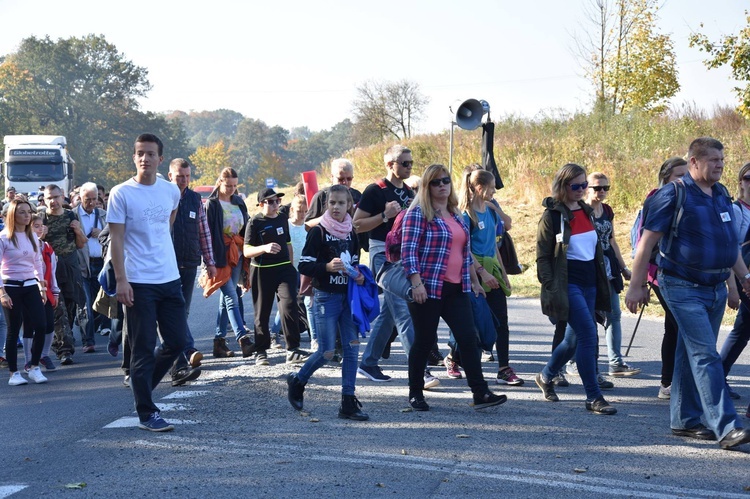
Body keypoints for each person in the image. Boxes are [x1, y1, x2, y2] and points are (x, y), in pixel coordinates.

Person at [626, 137, 750, 449]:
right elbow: (646, 243)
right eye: (713, 160)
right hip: (681, 286)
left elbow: (729, 245)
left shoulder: (721, 194)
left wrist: (742, 277)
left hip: (715, 287)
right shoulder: (672, 195)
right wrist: (636, 285)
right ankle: (727, 426)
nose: (720, 165)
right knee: (705, 354)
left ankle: (684, 420)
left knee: (687, 351)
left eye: (722, 160)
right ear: (693, 162)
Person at [402, 163, 507, 411]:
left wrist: (475, 279)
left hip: (457, 287)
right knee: (424, 341)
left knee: (469, 339)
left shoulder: (456, 214)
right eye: (436, 182)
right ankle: (415, 392)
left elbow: (464, 252)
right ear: (427, 186)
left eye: (446, 181)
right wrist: (416, 283)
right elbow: (408, 252)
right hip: (428, 287)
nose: (442, 185)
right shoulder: (418, 213)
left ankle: (480, 393)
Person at [108, 133, 189, 432]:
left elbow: (167, 224)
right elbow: (116, 240)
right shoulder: (121, 193)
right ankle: (146, 411)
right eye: (140, 153)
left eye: (150, 154)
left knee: (178, 341)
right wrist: (121, 280)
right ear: (134, 157)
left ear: (160, 159)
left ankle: (141, 388)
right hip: (138, 282)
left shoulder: (171, 192)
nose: (145, 158)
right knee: (142, 348)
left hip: (169, 279)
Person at [535, 163, 616, 415]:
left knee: (571, 340)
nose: (581, 190)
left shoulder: (585, 210)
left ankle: (546, 375)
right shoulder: (552, 215)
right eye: (576, 186)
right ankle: (593, 396)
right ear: (563, 186)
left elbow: (595, 251)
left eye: (584, 185)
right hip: (567, 284)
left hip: (590, 282)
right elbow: (543, 257)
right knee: (588, 336)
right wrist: (551, 286)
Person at [354, 145, 438, 389]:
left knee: (389, 315)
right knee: (403, 311)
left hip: (405, 256)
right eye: (405, 163)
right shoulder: (374, 191)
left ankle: (368, 363)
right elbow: (356, 225)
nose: (410, 167)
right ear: (390, 165)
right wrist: (383, 216)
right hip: (383, 255)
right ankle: (421, 371)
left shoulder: (410, 192)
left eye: (411, 163)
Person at [287, 184, 369, 420]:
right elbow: (303, 265)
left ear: (349, 206)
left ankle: (348, 402)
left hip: (348, 299)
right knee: (326, 351)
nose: (336, 207)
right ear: (326, 205)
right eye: (331, 203)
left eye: (341, 203)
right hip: (325, 297)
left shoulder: (352, 232)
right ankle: (298, 381)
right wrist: (325, 267)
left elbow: (353, 264)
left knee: (352, 349)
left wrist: (359, 275)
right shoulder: (318, 231)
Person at [459, 168, 522, 386]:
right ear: (479, 188)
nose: (494, 191)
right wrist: (480, 273)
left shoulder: (491, 211)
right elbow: (464, 248)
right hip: (473, 272)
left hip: (492, 269)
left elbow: (495, 245)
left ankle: (504, 368)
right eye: (492, 187)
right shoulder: (466, 215)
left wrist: (503, 274)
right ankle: (456, 360)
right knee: (474, 324)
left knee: (501, 322)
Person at [633, 157, 688, 400]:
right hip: (658, 272)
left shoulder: (688, 197)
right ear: (666, 177)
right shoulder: (657, 199)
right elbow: (644, 242)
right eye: (679, 175)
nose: (684, 179)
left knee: (673, 326)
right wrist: (641, 282)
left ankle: (671, 381)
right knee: (677, 325)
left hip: (680, 273)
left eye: (687, 174)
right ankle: (668, 382)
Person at [244, 188, 308, 366]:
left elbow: (287, 244)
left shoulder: (282, 218)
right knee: (262, 312)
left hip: (283, 269)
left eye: (277, 201)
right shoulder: (254, 222)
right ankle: (261, 351)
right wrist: (264, 248)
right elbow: (246, 251)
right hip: (262, 270)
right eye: (271, 202)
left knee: (289, 305)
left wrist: (291, 265)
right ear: (261, 204)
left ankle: (292, 349)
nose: (275, 205)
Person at [584, 172, 639, 377]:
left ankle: (615, 362)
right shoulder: (581, 211)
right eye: (598, 188)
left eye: (606, 188)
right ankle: (575, 361)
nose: (602, 192)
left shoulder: (606, 210)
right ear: (587, 188)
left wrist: (624, 268)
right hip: (589, 268)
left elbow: (613, 240)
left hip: (609, 267)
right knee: (586, 317)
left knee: (614, 314)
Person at [167, 158, 216, 385]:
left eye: (187, 176)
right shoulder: (163, 196)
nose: (183, 180)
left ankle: (184, 351)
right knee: (172, 313)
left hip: (189, 263)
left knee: (182, 312)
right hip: (166, 265)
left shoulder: (196, 198)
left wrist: (210, 261)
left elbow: (203, 231)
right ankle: (185, 354)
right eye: (179, 176)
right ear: (170, 176)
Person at [205, 168, 253, 359]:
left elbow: (246, 225)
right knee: (232, 296)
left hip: (238, 253)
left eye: (235, 185)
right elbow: (207, 234)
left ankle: (219, 342)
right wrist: (209, 261)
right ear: (220, 182)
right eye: (228, 185)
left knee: (227, 299)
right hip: (221, 254)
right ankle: (243, 339)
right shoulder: (212, 204)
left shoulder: (239, 201)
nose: (232, 189)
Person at [1, 199, 49, 385]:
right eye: (22, 212)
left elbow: (38, 263)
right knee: (14, 329)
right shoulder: (3, 238)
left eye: (28, 211)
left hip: (31, 285)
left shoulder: (32, 237)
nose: (27, 215)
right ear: (13, 215)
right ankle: (14, 373)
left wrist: (42, 287)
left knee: (41, 326)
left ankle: (34, 367)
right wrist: (2, 292)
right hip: (11, 287)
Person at [43, 184, 87, 366]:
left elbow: (81, 243)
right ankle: (64, 350)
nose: (53, 201)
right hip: (49, 266)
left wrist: (77, 230)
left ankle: (63, 342)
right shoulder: (41, 218)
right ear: (44, 200)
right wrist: (40, 235)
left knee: (70, 306)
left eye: (55, 197)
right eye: (49, 198)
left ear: (62, 197)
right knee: (57, 307)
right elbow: (34, 246)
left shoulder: (71, 216)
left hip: (70, 265)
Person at [721, 161, 750, 401]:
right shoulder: (736, 210)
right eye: (749, 177)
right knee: (742, 330)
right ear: (741, 182)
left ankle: (716, 378)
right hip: (745, 277)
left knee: (742, 330)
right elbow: (730, 249)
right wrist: (733, 286)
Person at [76, 182, 108, 353]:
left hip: (101, 264)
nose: (91, 203)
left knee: (101, 303)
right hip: (82, 266)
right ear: (81, 198)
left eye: (95, 199)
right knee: (86, 304)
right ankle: (88, 340)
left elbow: (114, 236)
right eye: (88, 199)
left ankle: (102, 329)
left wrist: (101, 233)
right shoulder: (72, 216)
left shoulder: (103, 215)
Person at [28, 214, 59, 372]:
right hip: (28, 290)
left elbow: (52, 271)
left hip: (46, 291)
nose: (39, 229)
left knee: (49, 324)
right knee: (30, 326)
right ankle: (29, 358)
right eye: (35, 226)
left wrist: (55, 291)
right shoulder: (25, 246)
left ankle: (44, 354)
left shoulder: (47, 247)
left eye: (41, 225)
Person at [304, 158, 362, 229]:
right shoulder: (322, 196)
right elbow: (306, 226)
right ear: (332, 177)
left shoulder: (357, 195)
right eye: (341, 179)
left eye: (349, 179)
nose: (345, 182)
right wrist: (327, 218)